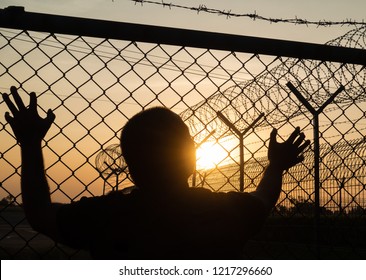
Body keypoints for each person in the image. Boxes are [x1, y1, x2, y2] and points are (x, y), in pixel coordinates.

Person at [2, 86, 310, 259]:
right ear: (190, 159)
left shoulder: (109, 216)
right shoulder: (224, 212)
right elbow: (263, 197)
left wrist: (30, 143)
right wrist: (276, 165)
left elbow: (40, 214)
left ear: (131, 168)